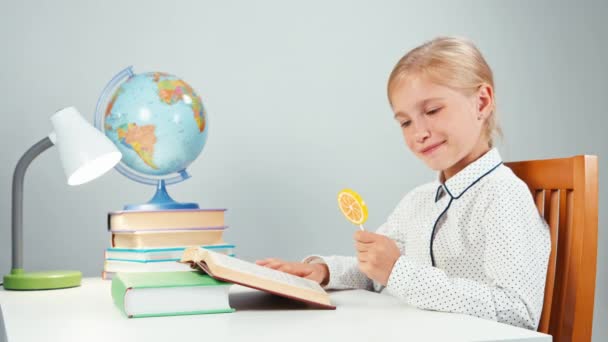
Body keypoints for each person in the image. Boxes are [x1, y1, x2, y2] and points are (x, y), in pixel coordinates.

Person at [256, 36, 550, 330]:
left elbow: (517, 310)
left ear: (482, 102)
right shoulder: (418, 201)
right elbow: (374, 272)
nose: (418, 132)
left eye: (432, 111)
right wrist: (322, 271)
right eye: (405, 122)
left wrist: (399, 271)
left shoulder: (503, 195)